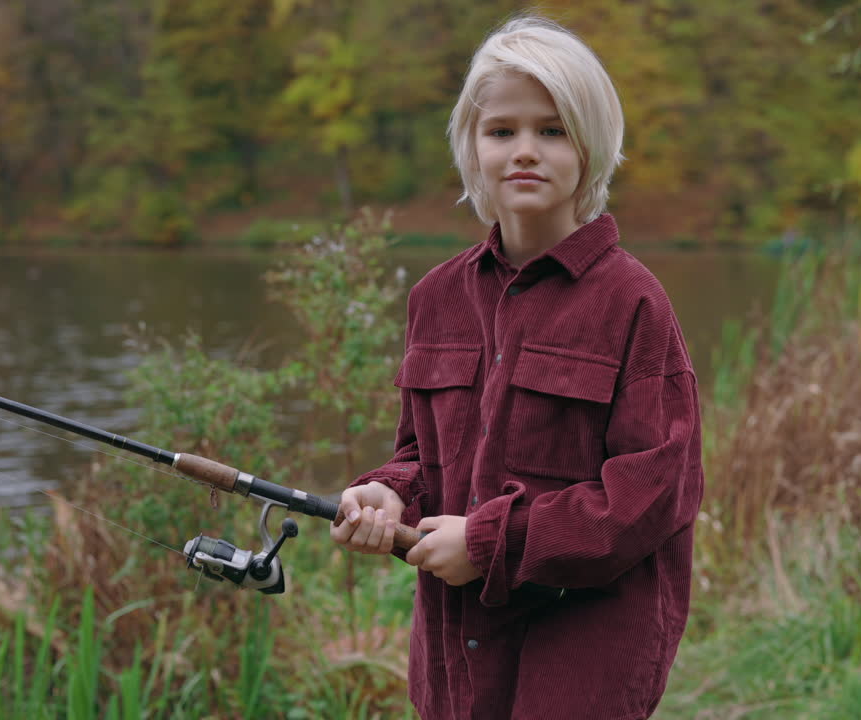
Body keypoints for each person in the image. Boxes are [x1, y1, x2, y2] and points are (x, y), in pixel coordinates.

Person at [330, 14, 703, 720]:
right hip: (456, 647)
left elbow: (653, 497)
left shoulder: (633, 304)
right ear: (472, 148)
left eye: (553, 130)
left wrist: (492, 540)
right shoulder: (435, 298)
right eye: (502, 131)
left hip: (585, 647)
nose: (525, 151)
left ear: (590, 147)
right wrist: (386, 494)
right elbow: (422, 454)